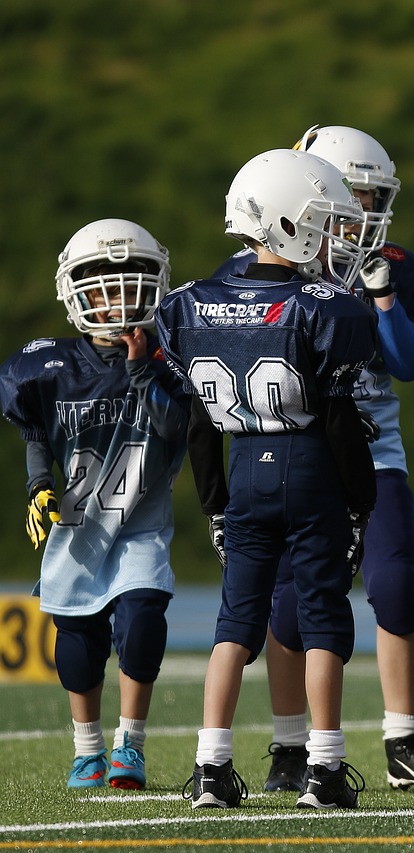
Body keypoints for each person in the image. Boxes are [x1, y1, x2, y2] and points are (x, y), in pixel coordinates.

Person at [213, 125, 414, 796]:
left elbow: (407, 364)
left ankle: (403, 739)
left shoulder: (396, 266)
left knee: (396, 584)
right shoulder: (257, 269)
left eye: (373, 195)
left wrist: (382, 297)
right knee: (290, 604)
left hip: (373, 449)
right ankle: (291, 746)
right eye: (351, 193)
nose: (364, 208)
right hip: (292, 453)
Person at [158, 148, 379, 810]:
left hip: (242, 469)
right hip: (309, 468)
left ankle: (211, 766)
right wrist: (361, 503)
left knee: (235, 622)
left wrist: (215, 505)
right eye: (324, 221)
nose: (334, 235)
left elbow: (200, 425)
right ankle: (325, 768)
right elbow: (338, 422)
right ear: (290, 221)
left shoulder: (191, 304)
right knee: (322, 617)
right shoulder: (325, 307)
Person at [0, 219, 184, 791]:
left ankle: (131, 744)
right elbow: (36, 433)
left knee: (142, 621)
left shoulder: (171, 360)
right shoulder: (49, 368)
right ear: (77, 295)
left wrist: (140, 369)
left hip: (141, 524)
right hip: (79, 526)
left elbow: (175, 426)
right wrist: (38, 486)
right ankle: (88, 750)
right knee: (77, 646)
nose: (118, 302)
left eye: (130, 287)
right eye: (105, 290)